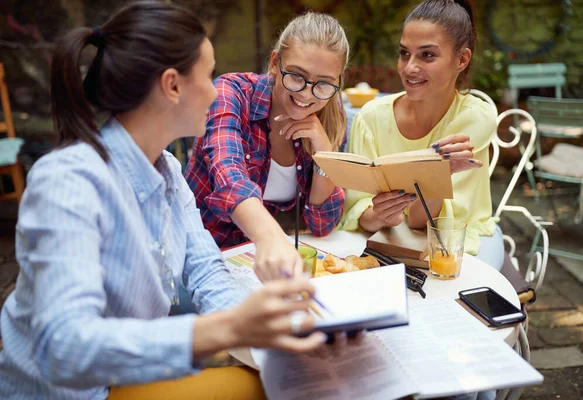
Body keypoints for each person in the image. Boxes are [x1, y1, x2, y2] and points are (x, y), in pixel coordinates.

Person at [0, 2, 347, 399]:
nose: (219, 89)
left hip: (126, 380)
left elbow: (205, 272)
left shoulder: (167, 171)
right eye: (210, 75)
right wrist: (231, 328)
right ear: (172, 85)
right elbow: (64, 348)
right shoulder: (68, 182)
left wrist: (270, 324)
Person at [339, 0, 504, 271]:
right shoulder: (370, 117)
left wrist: (429, 176)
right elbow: (359, 214)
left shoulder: (474, 117)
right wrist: (379, 214)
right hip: (389, 238)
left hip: (464, 238)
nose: (409, 67)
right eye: (405, 53)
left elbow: (422, 222)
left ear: (461, 59)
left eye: (427, 55)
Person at [185, 12, 349, 282]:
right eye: (297, 76)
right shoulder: (233, 93)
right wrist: (270, 236)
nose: (307, 94)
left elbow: (323, 224)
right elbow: (229, 175)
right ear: (275, 63)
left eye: (323, 84)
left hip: (257, 266)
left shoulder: (328, 119)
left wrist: (324, 153)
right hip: (199, 257)